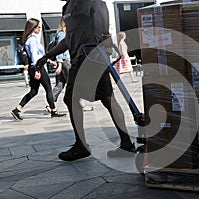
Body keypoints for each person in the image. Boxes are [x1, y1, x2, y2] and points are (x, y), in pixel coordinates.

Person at [35, 0, 136, 161]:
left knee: (74, 98)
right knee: (107, 99)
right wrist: (47, 55)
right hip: (80, 58)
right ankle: (126, 144)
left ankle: (82, 146)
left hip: (91, 57)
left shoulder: (91, 2)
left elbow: (103, 22)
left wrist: (102, 46)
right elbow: (69, 38)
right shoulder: (66, 7)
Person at [10, 18, 66, 121]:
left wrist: (49, 61)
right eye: (38, 27)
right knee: (48, 88)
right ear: (33, 28)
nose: (40, 29)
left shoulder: (30, 39)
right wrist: (38, 70)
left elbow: (40, 55)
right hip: (37, 67)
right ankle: (53, 110)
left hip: (35, 67)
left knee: (34, 91)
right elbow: (35, 57)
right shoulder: (32, 40)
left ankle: (17, 109)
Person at [45, 18, 71, 113]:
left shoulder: (60, 34)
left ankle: (50, 104)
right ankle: (79, 104)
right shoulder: (62, 34)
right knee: (73, 83)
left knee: (60, 84)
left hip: (62, 62)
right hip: (65, 62)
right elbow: (60, 51)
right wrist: (60, 64)